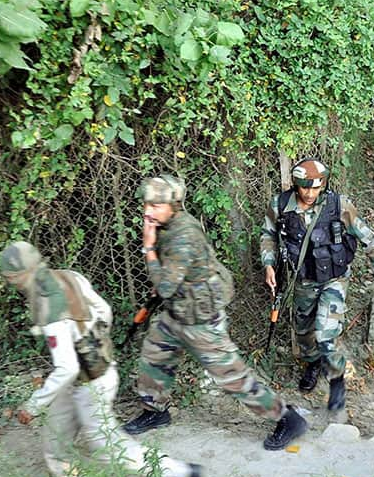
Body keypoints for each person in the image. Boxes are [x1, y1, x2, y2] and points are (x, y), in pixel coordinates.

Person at [0, 242, 203, 477]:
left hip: (90, 384)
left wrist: (32, 405)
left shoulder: (47, 304)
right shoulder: (68, 276)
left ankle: (184, 474)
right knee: (56, 441)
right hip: (86, 376)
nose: (10, 282)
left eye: (10, 277)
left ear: (21, 275)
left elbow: (66, 367)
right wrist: (94, 343)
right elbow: (104, 311)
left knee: (109, 447)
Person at [123, 175, 308, 451]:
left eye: (156, 205)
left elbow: (164, 285)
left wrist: (148, 246)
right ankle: (155, 411)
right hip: (179, 310)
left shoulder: (184, 235)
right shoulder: (165, 225)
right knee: (154, 354)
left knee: (231, 376)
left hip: (200, 318)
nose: (148, 211)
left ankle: (287, 418)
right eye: (147, 204)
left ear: (173, 205)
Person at [260, 159, 374, 411]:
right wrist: (268, 263)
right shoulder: (280, 205)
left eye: (316, 188)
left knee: (325, 332)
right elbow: (268, 235)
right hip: (303, 280)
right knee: (303, 331)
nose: (310, 194)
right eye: (305, 188)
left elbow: (367, 236)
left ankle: (336, 382)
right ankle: (313, 363)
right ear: (296, 185)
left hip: (335, 278)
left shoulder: (338, 205)